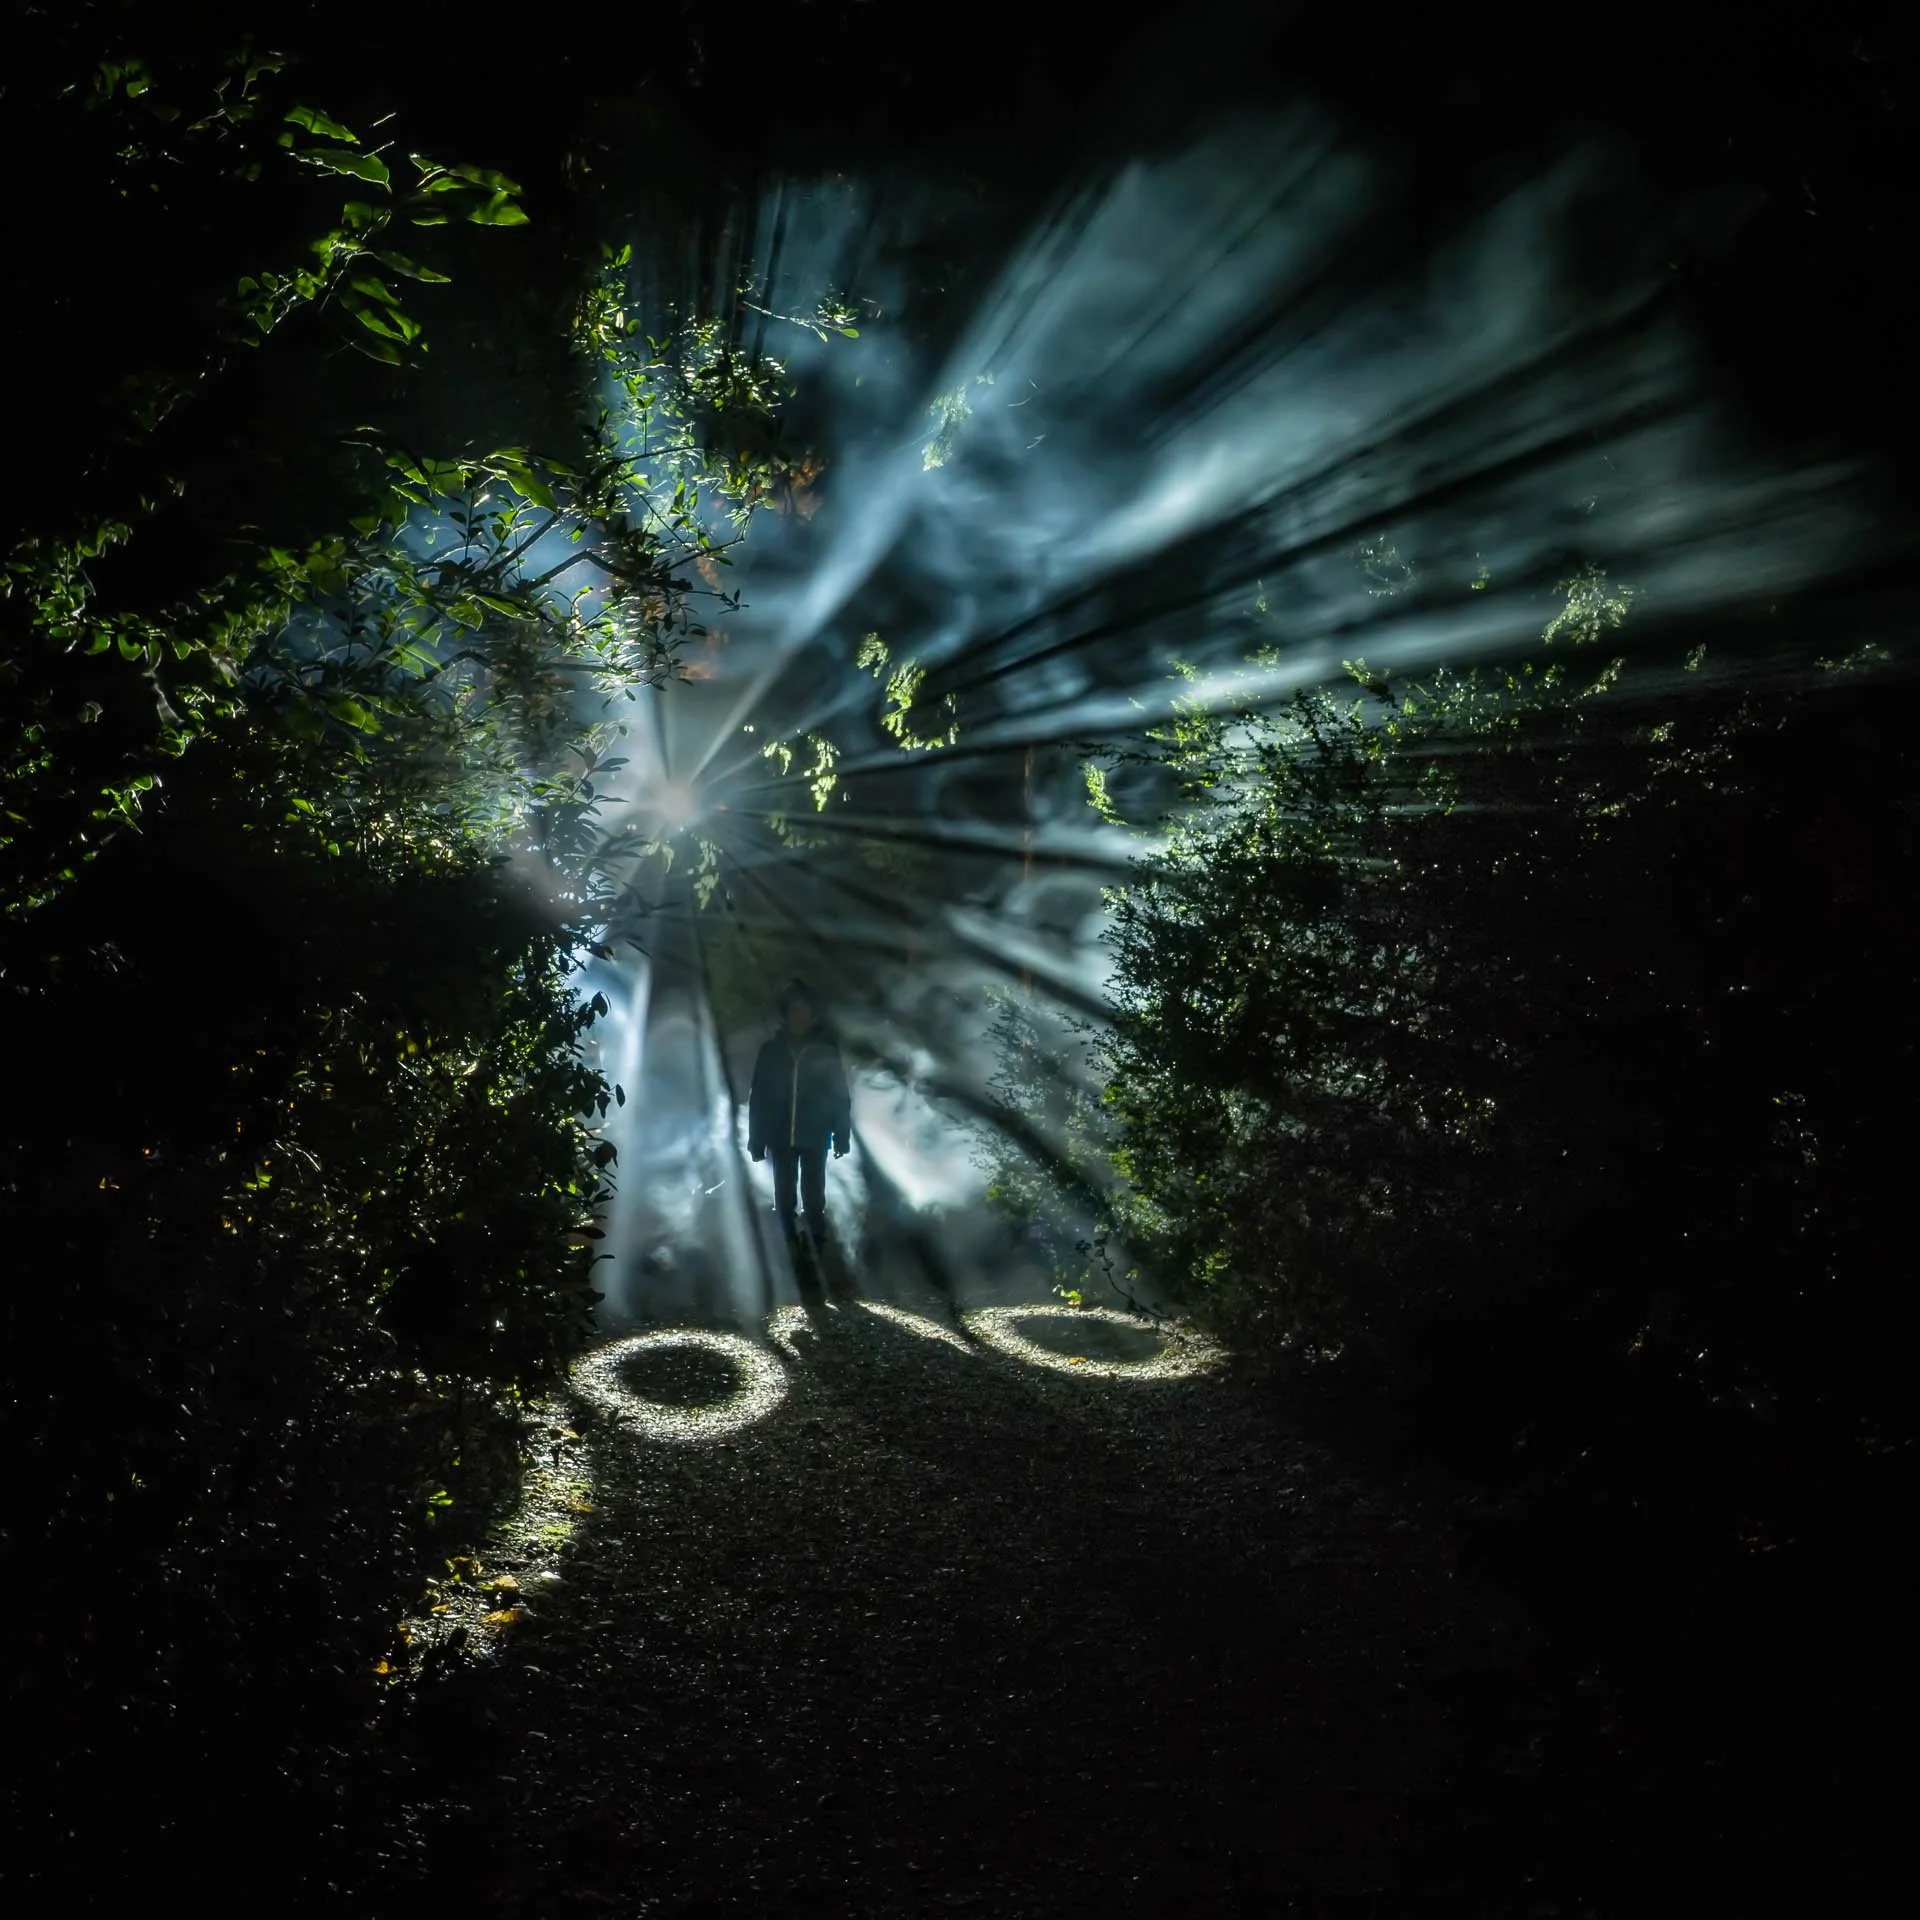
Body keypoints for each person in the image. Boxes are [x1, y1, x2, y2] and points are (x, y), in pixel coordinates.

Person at [747, 979, 852, 1255]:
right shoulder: (770, 1052)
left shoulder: (825, 1050)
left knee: (814, 1192)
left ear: (812, 1013)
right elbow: (758, 1097)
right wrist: (756, 1139)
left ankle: (817, 1241)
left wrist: (842, 1135)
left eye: (804, 1009)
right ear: (787, 1013)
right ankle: (790, 1241)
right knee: (783, 1193)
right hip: (779, 1135)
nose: (800, 1014)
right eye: (795, 1009)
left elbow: (839, 1094)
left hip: (815, 1133)